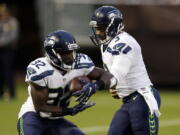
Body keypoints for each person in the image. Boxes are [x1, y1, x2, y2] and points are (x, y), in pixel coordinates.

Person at [17, 30, 117, 135]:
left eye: (72, 52)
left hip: (57, 120)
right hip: (33, 116)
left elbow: (109, 77)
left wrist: (95, 86)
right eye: (65, 53)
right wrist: (69, 111)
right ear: (52, 53)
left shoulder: (81, 63)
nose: (70, 57)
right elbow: (41, 108)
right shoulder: (40, 70)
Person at [85, 6, 161, 135]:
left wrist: (96, 86)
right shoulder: (108, 43)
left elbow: (115, 76)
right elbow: (110, 74)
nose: (98, 33)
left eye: (101, 28)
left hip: (141, 99)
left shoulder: (125, 43)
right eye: (97, 29)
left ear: (113, 26)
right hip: (128, 100)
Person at [0, 4, 19, 100]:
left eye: (4, 11)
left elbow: (13, 37)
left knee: (8, 72)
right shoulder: (1, 22)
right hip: (1, 51)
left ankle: (12, 94)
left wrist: (1, 43)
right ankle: (1, 93)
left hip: (8, 50)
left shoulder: (13, 22)